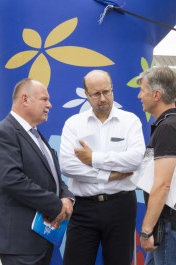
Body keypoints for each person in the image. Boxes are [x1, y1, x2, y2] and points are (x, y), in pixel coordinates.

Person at [0, 78, 74, 265]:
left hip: (38, 238)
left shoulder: (35, 134)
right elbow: (12, 181)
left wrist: (67, 196)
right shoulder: (3, 133)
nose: (50, 105)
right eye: (44, 99)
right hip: (19, 241)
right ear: (24, 99)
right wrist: (55, 205)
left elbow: (53, 176)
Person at [60, 69, 145, 265]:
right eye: (96, 94)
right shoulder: (74, 124)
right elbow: (67, 165)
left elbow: (135, 160)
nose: (103, 98)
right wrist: (108, 176)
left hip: (121, 206)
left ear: (113, 90)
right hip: (83, 207)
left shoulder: (130, 121)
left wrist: (93, 158)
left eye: (107, 92)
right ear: (86, 95)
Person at [137, 66, 176, 265]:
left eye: (143, 91)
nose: (139, 96)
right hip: (173, 224)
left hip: (170, 225)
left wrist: (146, 231)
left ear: (156, 95)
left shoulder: (169, 128)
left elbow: (163, 183)